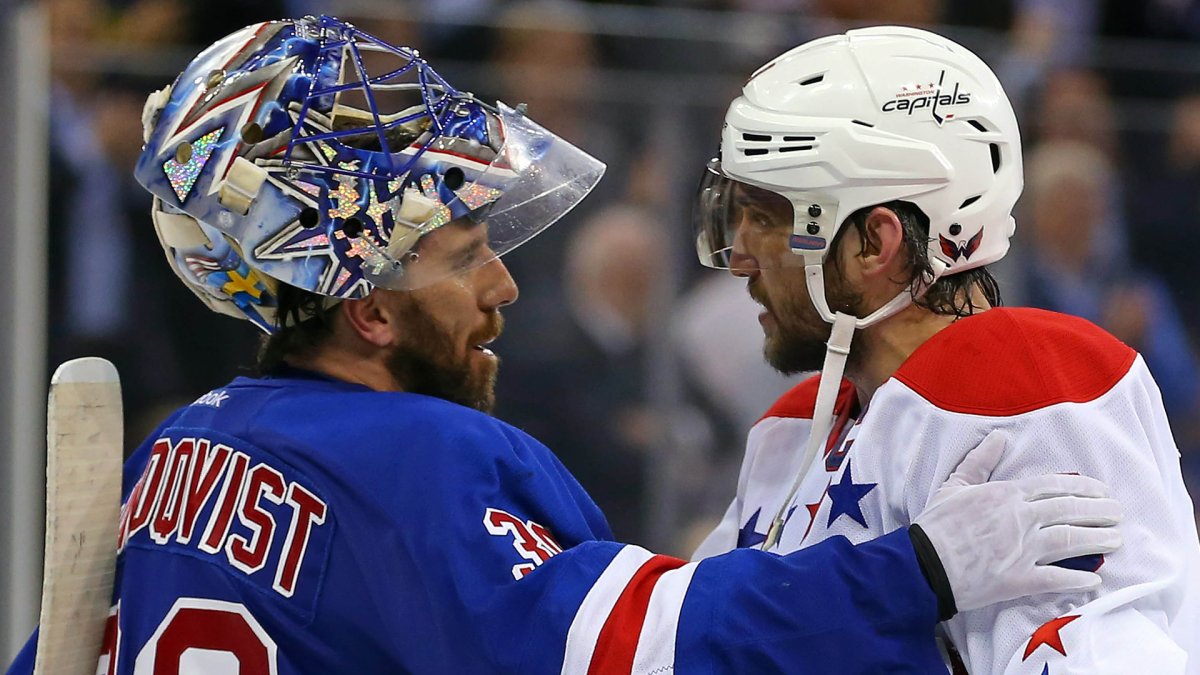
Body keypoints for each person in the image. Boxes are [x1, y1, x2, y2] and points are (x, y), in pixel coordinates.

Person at [7, 17, 1123, 674]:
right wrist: (916, 567)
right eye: (459, 255)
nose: (503, 285)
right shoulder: (415, 461)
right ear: (370, 310)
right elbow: (641, 651)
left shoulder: (177, 458)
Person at [692, 25, 1200, 674]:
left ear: (876, 244)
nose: (739, 257)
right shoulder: (798, 423)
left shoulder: (1022, 385)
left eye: (765, 218)